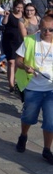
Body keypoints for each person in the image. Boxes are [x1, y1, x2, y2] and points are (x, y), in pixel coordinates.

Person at [15, 15, 53, 163]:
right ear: (39, 28)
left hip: (50, 89)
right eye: (44, 29)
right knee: (29, 117)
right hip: (32, 87)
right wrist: (25, 66)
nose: (47, 32)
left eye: (51, 30)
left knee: (50, 121)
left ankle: (47, 150)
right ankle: (23, 135)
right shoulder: (30, 40)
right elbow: (18, 60)